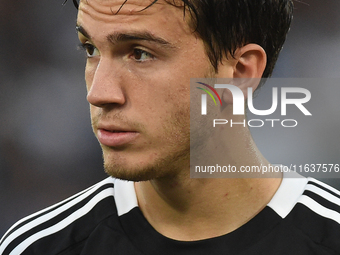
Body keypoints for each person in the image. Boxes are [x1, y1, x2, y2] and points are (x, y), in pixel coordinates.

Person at [1, 0, 340, 254]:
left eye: (140, 53)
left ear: (239, 72)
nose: (99, 93)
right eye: (91, 49)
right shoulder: (38, 247)